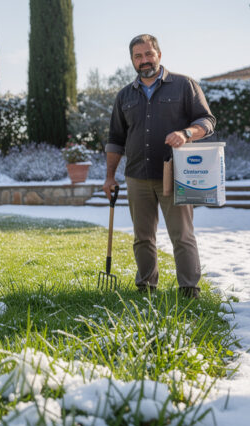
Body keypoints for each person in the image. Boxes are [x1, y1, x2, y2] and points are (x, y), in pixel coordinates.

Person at [102, 34, 216, 298]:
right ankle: (145, 288)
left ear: (159, 55)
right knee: (142, 236)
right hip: (137, 176)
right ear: (132, 60)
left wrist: (186, 133)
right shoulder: (124, 96)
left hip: (175, 175)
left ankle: (189, 290)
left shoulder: (184, 85)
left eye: (148, 54)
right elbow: (115, 139)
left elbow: (207, 121)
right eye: (138, 56)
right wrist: (109, 177)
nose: (144, 60)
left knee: (182, 235)